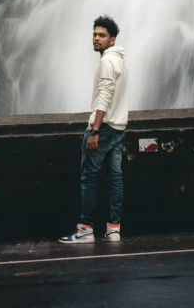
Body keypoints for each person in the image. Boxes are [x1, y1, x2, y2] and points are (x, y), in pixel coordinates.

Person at [59, 15, 129, 244]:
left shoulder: (107, 61)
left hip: (105, 129)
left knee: (89, 180)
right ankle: (113, 229)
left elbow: (105, 95)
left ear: (112, 40)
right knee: (115, 179)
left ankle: (86, 230)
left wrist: (95, 130)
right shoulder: (121, 62)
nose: (96, 38)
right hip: (119, 129)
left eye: (102, 35)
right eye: (95, 34)